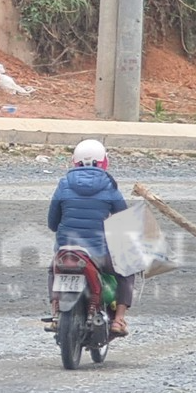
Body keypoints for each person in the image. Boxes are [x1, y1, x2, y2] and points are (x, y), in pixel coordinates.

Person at [47, 138, 135, 337]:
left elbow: (52, 223)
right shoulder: (109, 186)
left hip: (66, 250)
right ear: (104, 161)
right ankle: (119, 320)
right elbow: (124, 220)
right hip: (98, 253)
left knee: (53, 270)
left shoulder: (63, 184)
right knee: (127, 270)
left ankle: (55, 314)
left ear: (75, 162)